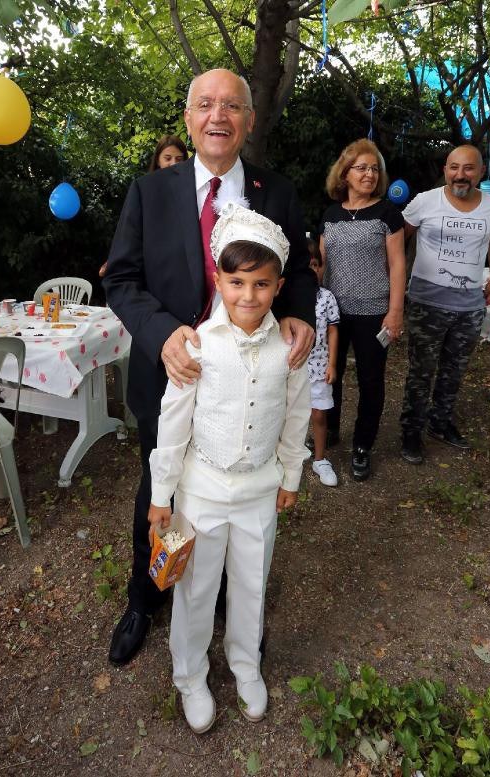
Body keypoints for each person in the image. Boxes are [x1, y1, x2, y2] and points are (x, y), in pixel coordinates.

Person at [103, 68, 317, 667]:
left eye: (231, 106)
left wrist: (298, 314)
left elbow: (300, 270)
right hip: (173, 374)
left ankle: (229, 597)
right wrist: (161, 333)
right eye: (205, 104)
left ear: (249, 119)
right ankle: (146, 596)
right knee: (161, 487)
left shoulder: (277, 191)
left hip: (248, 378)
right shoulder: (150, 192)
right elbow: (121, 279)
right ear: (189, 117)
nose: (217, 116)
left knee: (236, 489)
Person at [147, 203, 310, 733]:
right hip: (203, 491)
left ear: (278, 286)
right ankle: (190, 673)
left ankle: (246, 664)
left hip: (259, 490)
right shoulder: (196, 345)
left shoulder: (289, 348)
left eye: (261, 284)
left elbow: (296, 416)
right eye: (236, 282)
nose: (248, 296)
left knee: (251, 582)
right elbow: (173, 423)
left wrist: (291, 477)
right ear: (218, 281)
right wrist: (162, 494)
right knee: (196, 588)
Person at [400, 144, 490, 463]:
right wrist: (395, 280)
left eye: (468, 168)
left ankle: (440, 422)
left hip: (469, 307)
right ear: (445, 170)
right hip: (427, 303)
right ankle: (411, 431)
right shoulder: (425, 201)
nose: (460, 175)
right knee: (421, 371)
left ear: (481, 172)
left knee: (453, 371)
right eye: (454, 167)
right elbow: (398, 239)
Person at [320, 139, 406, 481]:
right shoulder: (330, 215)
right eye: (361, 168)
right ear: (345, 174)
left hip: (373, 311)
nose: (369, 174)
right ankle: (330, 429)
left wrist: (395, 310)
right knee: (330, 374)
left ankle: (362, 446)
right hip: (333, 314)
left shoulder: (387, 214)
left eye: (374, 169)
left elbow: (397, 265)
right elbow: (321, 263)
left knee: (371, 380)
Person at [98, 135, 189, 278]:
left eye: (179, 159)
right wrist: (116, 259)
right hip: (149, 265)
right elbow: (129, 233)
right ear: (158, 160)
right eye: (168, 158)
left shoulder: (192, 191)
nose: (173, 163)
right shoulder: (143, 191)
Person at [307, 239, 340, 486]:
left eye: (316, 265)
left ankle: (320, 459)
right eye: (307, 265)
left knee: (319, 414)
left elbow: (332, 331)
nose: (313, 270)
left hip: (319, 366)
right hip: (292, 368)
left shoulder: (327, 297)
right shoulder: (287, 296)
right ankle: (287, 455)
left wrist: (332, 364)